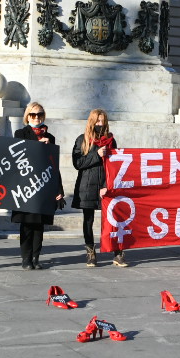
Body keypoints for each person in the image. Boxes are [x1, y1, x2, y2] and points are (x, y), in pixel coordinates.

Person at [71, 108, 127, 267]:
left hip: (105, 186)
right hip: (87, 185)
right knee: (88, 220)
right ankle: (90, 252)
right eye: (97, 121)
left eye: (103, 121)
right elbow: (78, 163)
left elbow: (113, 166)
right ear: (92, 122)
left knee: (113, 219)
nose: (100, 124)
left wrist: (105, 186)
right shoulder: (82, 139)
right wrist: (97, 155)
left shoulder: (110, 140)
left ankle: (117, 252)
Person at [12, 102, 63, 270]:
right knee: (27, 224)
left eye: (40, 114)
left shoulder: (50, 137)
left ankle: (36, 257)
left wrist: (58, 189)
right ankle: (26, 258)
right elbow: (19, 156)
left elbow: (54, 165)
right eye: (33, 114)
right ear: (27, 116)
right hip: (26, 186)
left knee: (39, 225)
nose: (36, 118)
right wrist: (39, 145)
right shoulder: (20, 133)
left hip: (43, 185)